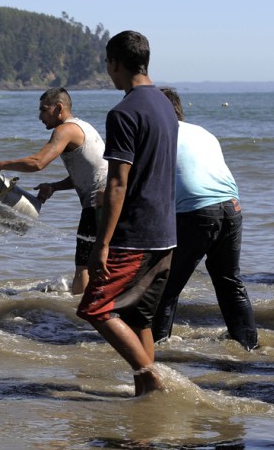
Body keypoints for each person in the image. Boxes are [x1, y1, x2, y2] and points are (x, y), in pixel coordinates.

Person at [77, 31, 178, 396]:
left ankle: (150, 376)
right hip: (166, 233)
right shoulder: (166, 105)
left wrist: (101, 243)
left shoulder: (124, 112)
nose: (108, 71)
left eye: (108, 64)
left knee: (95, 307)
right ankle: (146, 403)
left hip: (135, 234)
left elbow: (118, 183)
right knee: (139, 318)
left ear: (115, 63)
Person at [152, 87, 258, 350]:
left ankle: (156, 350)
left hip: (198, 210)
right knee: (229, 280)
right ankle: (249, 347)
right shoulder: (203, 132)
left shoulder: (159, 133)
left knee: (167, 284)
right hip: (232, 207)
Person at [0, 87, 107, 294]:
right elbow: (89, 173)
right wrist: (54, 187)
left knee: (83, 267)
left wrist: (1, 164)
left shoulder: (65, 130)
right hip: (111, 201)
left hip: (99, 206)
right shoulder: (83, 126)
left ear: (59, 108)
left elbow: (38, 162)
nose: (40, 116)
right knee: (102, 265)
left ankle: (77, 319)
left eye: (43, 110)